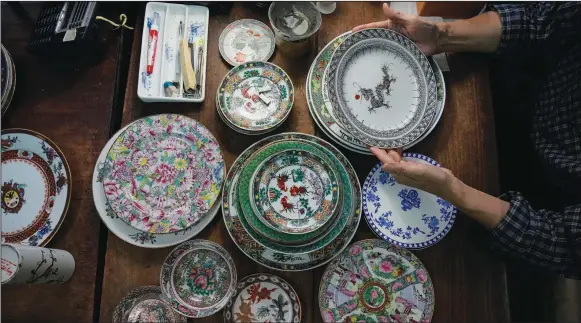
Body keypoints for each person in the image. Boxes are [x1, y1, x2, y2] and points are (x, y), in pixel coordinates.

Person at [354, 2, 581, 278]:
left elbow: (564, 245)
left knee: (474, 264)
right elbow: (544, 22)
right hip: (520, 89)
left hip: (549, 196)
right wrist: (442, 35)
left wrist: (455, 192)